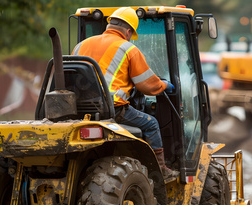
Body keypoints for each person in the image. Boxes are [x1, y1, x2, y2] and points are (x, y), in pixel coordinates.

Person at [72, 7, 177, 179]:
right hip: (113, 110)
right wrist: (164, 85)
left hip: (79, 111)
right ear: (128, 32)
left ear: (109, 25)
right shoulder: (128, 49)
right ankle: (161, 170)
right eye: (131, 35)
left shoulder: (81, 45)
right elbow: (148, 86)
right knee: (151, 124)